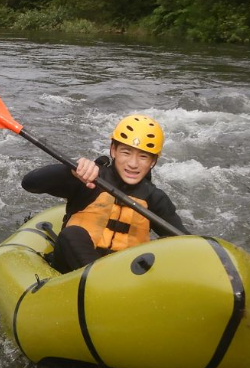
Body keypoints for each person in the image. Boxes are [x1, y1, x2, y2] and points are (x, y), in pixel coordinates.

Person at [21, 113, 189, 272]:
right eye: (126, 152)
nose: (133, 164)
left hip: (122, 278)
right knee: (72, 234)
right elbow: (30, 183)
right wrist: (69, 171)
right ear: (113, 150)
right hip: (71, 273)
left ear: (153, 161)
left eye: (143, 157)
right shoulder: (90, 178)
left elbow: (185, 244)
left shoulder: (155, 198)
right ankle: (97, 282)